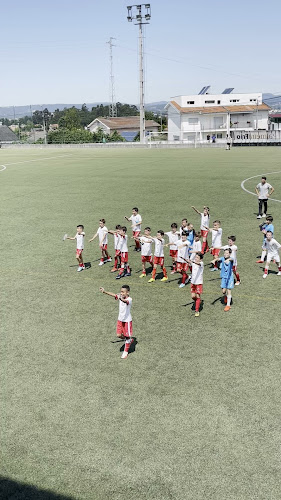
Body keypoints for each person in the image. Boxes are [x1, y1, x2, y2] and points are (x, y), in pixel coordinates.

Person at [99, 284, 134, 359]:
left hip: (127, 321)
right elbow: (113, 294)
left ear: (127, 292)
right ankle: (129, 340)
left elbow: (125, 301)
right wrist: (104, 291)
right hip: (120, 320)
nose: (121, 293)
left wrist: (120, 298)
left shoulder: (129, 299)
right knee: (118, 335)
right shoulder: (121, 296)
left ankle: (125, 352)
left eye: (123, 292)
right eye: (121, 292)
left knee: (127, 336)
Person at [212, 248, 234, 312]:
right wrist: (214, 260)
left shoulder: (231, 259)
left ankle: (228, 305)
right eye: (225, 253)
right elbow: (218, 258)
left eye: (227, 253)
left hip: (229, 278)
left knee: (228, 290)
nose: (225, 254)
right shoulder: (222, 258)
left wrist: (228, 260)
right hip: (224, 277)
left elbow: (232, 259)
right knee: (223, 291)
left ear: (230, 254)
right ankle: (226, 297)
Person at [184, 252, 204, 317]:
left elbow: (197, 263)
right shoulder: (193, 263)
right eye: (195, 257)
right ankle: (198, 301)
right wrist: (187, 260)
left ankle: (197, 310)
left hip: (198, 283)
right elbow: (191, 263)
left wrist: (192, 261)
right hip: (193, 283)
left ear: (201, 259)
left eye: (197, 257)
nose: (196, 258)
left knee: (197, 296)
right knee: (193, 296)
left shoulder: (201, 263)